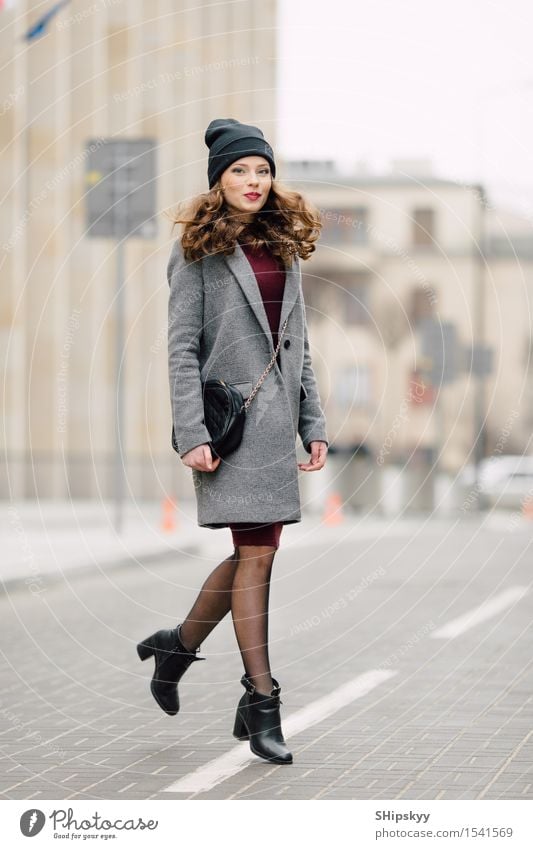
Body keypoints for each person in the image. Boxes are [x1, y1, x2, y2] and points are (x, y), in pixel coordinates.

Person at [137, 118, 328, 765]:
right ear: (218, 178)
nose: (253, 181)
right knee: (258, 555)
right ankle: (262, 696)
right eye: (240, 170)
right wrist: (190, 433)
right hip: (227, 428)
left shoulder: (284, 246)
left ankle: (176, 647)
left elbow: (297, 348)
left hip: (275, 430)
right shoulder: (196, 250)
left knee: (255, 552)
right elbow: (180, 348)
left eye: (262, 170)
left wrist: (313, 422)